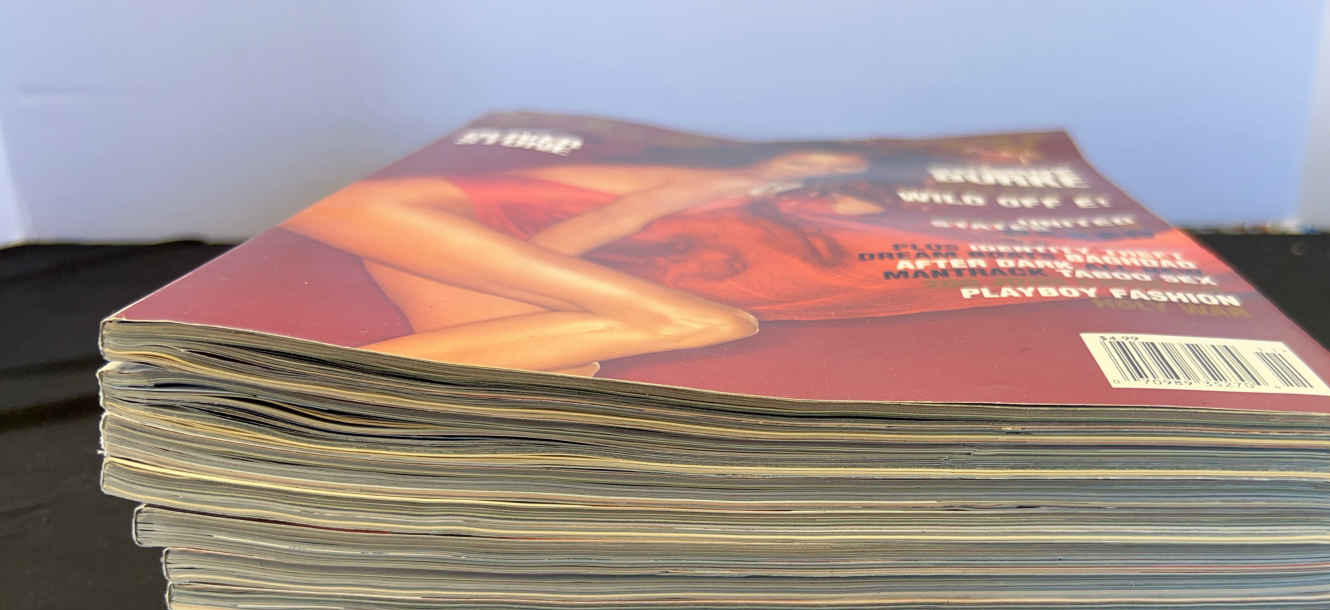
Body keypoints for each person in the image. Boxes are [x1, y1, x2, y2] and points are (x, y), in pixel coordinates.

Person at [283, 149, 883, 374]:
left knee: (564, 369)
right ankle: (303, 381)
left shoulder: (738, 214)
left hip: (434, 235)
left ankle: (306, 388)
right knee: (710, 321)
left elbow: (539, 257)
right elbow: (566, 232)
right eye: (814, 179)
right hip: (383, 210)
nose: (822, 197)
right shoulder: (713, 186)